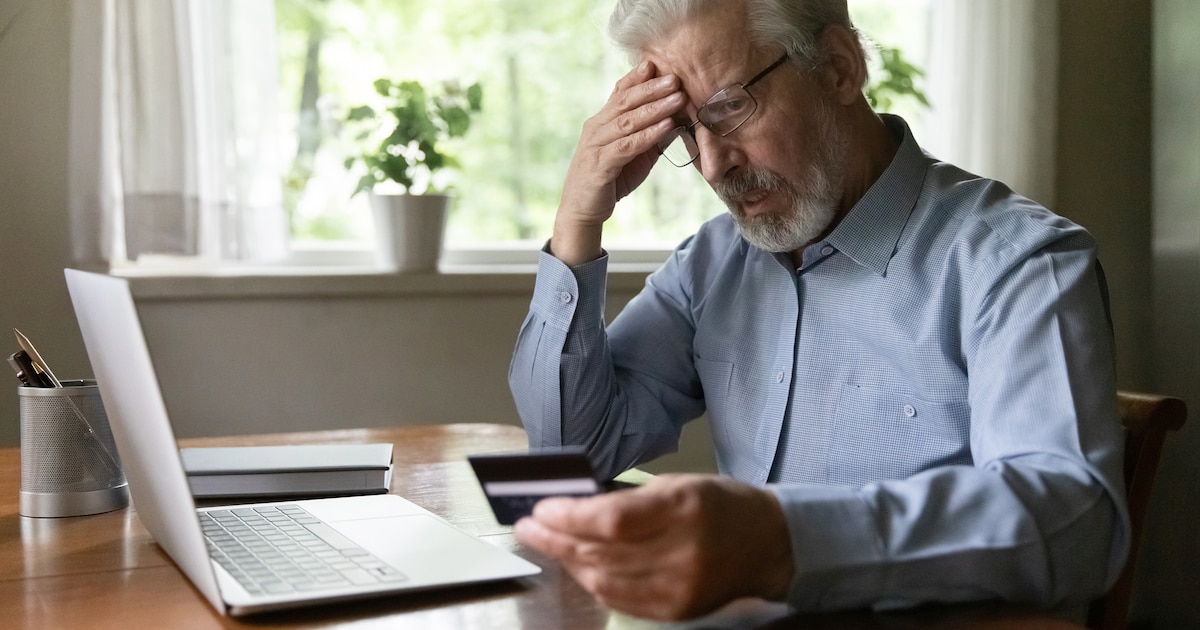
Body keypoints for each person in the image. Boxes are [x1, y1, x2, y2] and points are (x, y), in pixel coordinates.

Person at [507, 0, 1130, 621]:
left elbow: (1075, 524)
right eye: (685, 132)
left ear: (838, 68)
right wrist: (578, 221)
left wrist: (781, 540)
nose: (715, 164)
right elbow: (573, 453)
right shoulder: (713, 262)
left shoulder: (1017, 261)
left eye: (728, 110)